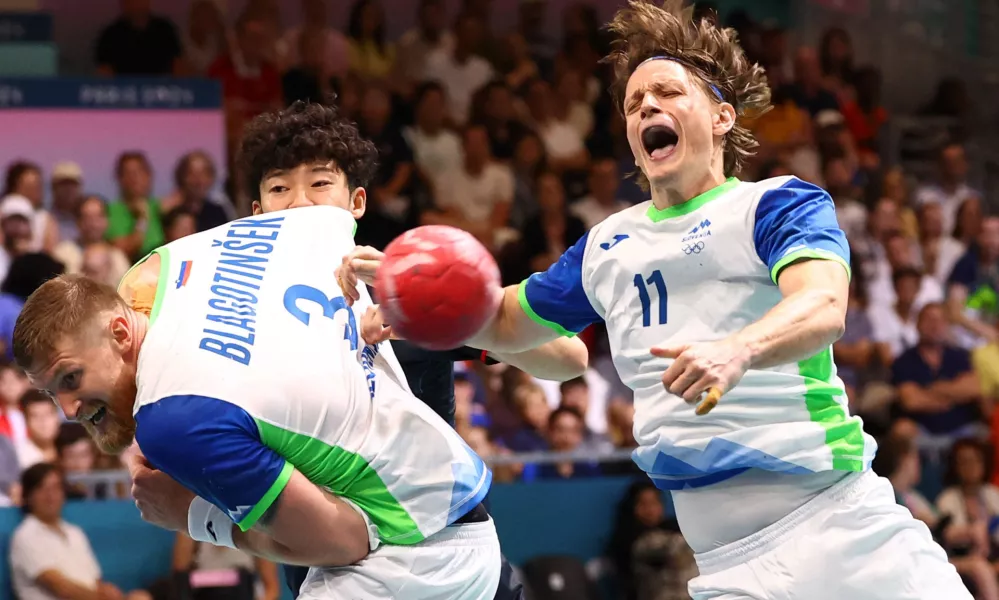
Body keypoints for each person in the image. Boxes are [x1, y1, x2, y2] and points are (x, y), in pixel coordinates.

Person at [338, 2, 970, 597]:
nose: (646, 108)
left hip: (842, 523)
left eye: (668, 93)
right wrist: (411, 291)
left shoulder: (775, 204)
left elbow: (824, 304)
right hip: (725, 562)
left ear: (722, 116)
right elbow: (503, 319)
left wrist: (738, 350)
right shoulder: (607, 245)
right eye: (634, 102)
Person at [12, 101, 583, 600]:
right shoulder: (209, 330)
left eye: (320, 186)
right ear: (255, 218)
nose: (301, 205)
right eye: (280, 188)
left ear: (354, 204)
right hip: (324, 557)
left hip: (420, 540)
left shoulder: (394, 291)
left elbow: (567, 358)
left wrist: (431, 309)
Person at [11, 462, 153, 600]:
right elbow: (61, 588)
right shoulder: (26, 536)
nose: (50, 496)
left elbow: (95, 582)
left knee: (140, 597)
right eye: (42, 489)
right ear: (28, 496)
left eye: (55, 488)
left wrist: (108, 592)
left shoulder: (74, 532)